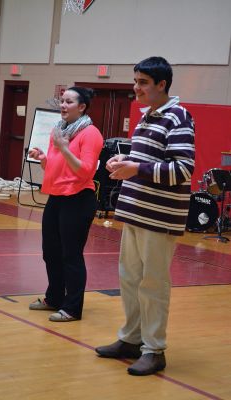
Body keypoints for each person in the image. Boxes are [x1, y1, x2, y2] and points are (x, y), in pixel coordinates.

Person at [95, 57, 195, 375]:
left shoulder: (178, 116)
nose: (135, 88)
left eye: (142, 82)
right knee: (130, 279)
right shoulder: (147, 116)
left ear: (162, 84)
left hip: (159, 217)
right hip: (135, 212)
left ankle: (154, 350)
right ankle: (131, 338)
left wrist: (136, 168)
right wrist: (127, 159)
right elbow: (149, 160)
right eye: (135, 81)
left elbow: (183, 169)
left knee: (153, 284)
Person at [29, 86, 103, 322]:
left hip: (78, 199)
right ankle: (54, 298)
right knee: (50, 252)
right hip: (56, 198)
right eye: (62, 101)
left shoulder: (90, 134)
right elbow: (55, 166)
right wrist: (44, 159)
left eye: (69, 102)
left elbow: (85, 171)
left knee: (71, 255)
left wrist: (63, 148)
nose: (63, 105)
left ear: (81, 107)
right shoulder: (59, 130)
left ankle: (72, 308)